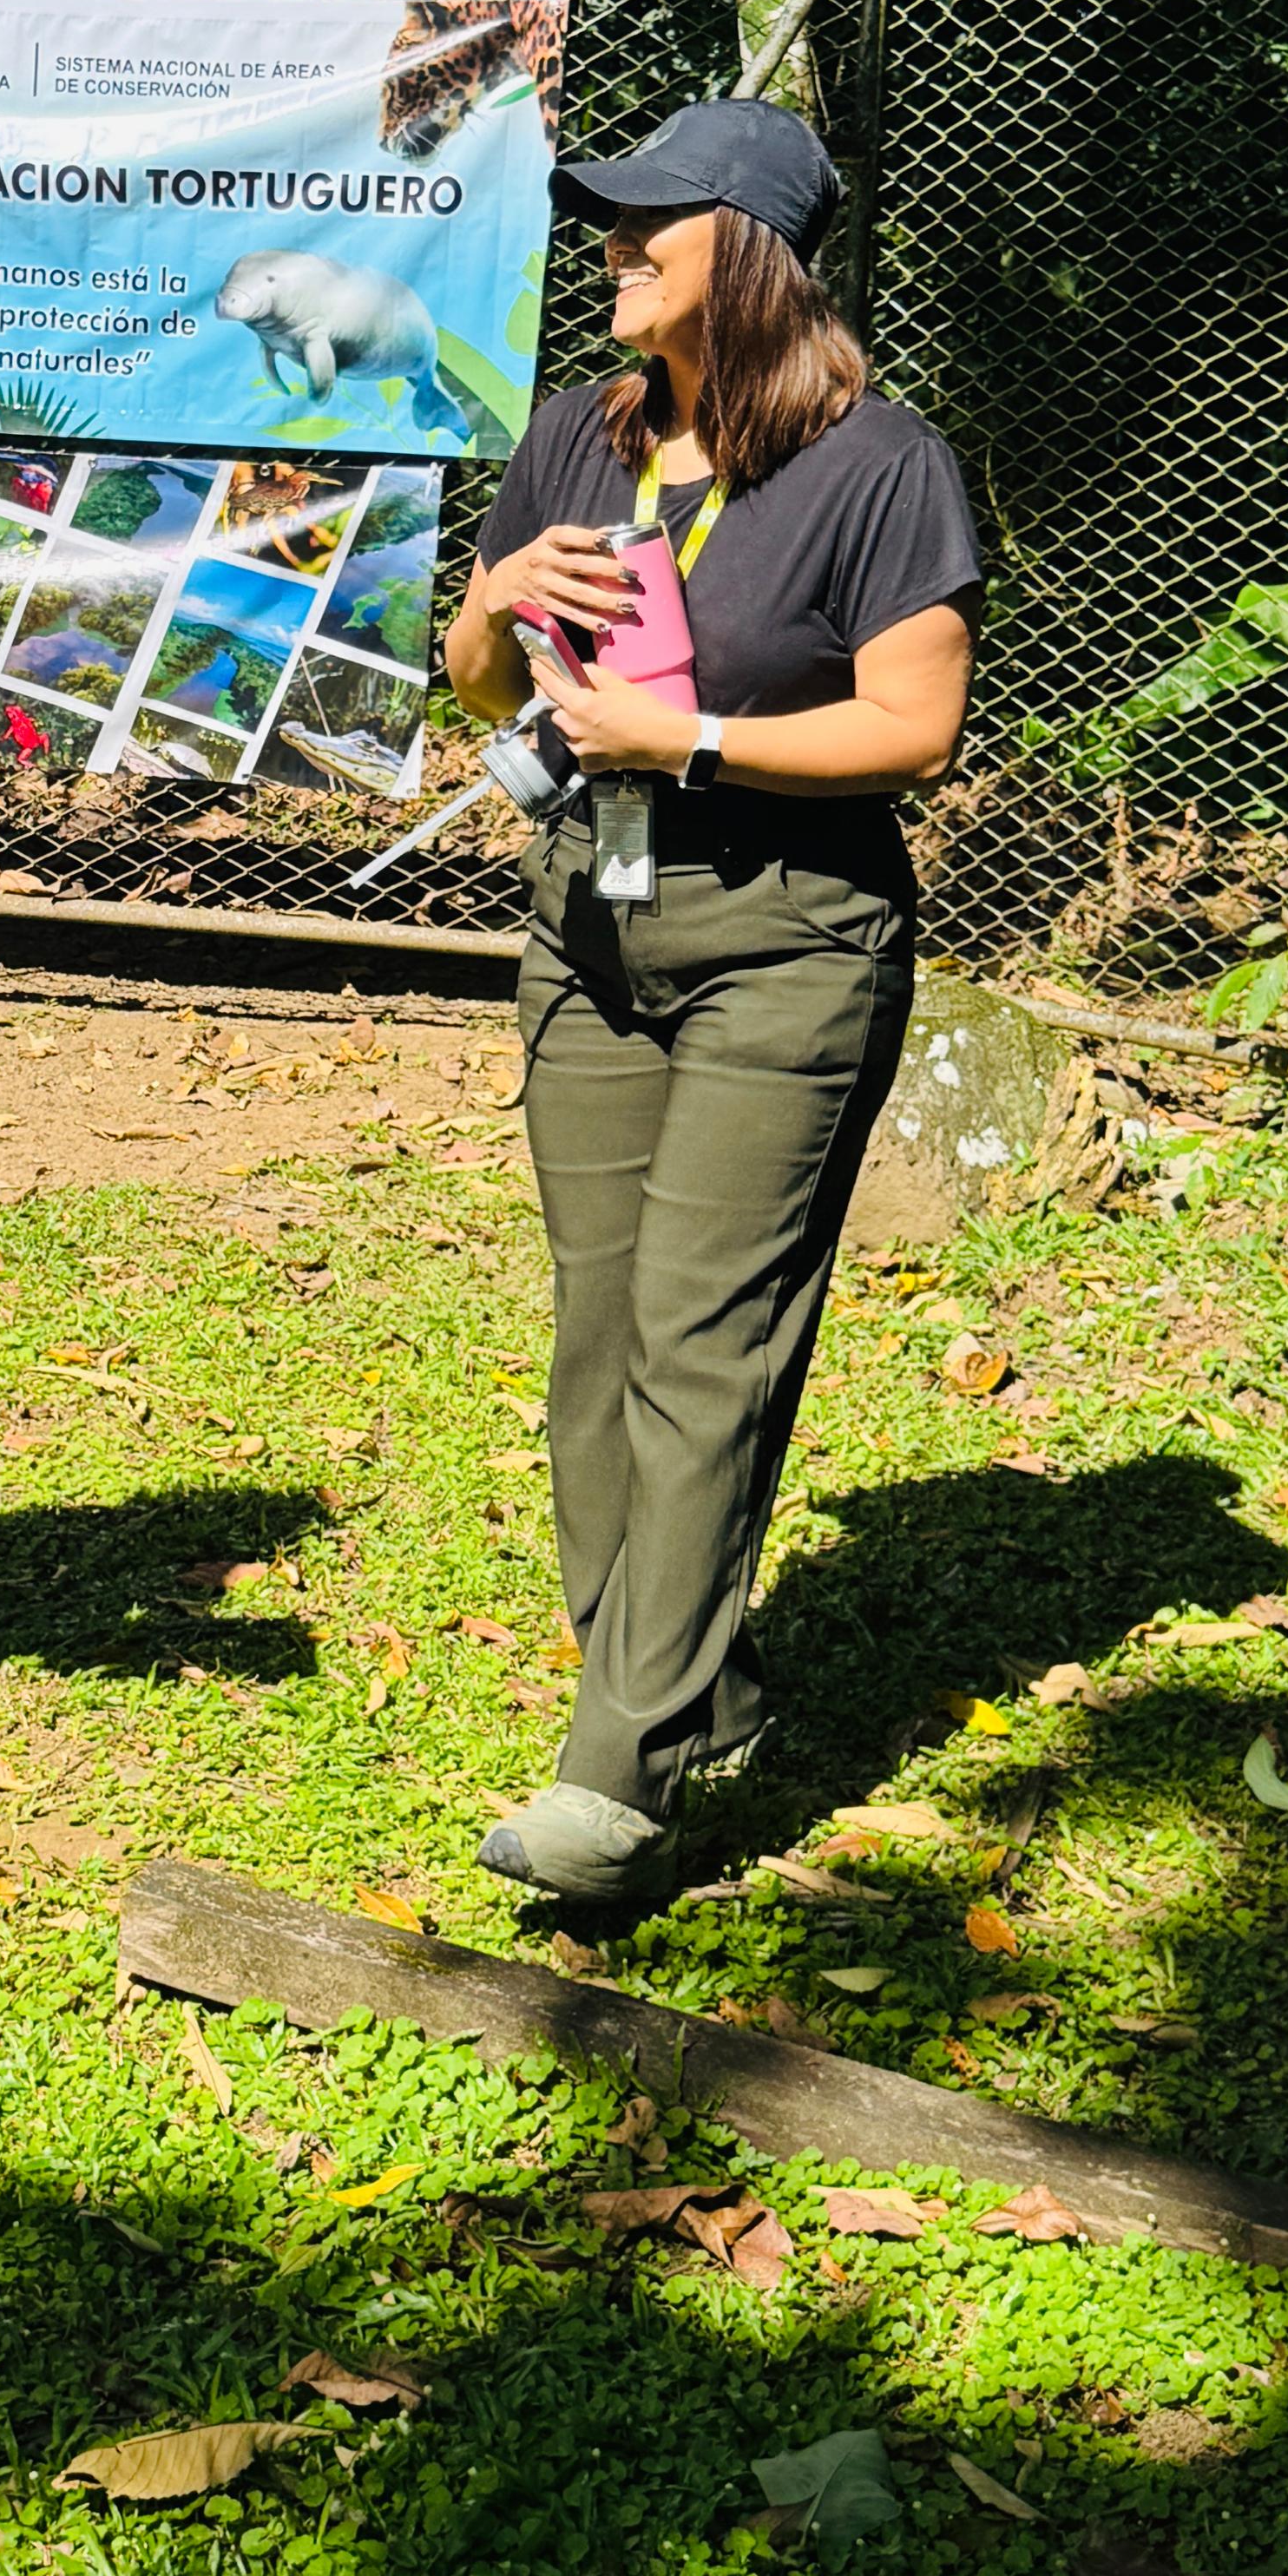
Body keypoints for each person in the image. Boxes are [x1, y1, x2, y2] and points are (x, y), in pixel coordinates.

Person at [441, 99, 982, 1911]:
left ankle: (621, 1775)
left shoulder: (880, 463)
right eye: (608, 219)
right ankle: (692, 1689)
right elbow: (480, 683)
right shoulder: (578, 436)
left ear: (742, 254)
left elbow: (915, 727)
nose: (612, 246)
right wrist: (501, 598)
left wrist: (693, 739)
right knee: (599, 1342)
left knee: (702, 1338)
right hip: (588, 930)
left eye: (646, 221)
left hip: (786, 942)